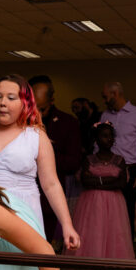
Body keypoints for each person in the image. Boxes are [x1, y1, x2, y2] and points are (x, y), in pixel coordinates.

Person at [0, 74, 80, 249]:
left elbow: (51, 185)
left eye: (11, 98)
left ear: (25, 103)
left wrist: (67, 224)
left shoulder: (36, 136)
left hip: (23, 214)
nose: (3, 102)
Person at [69, 122, 134, 270]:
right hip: (91, 204)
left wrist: (97, 181)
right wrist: (107, 182)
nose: (109, 139)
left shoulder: (120, 160)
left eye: (111, 136)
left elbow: (121, 183)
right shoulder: (89, 159)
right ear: (97, 139)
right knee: (94, 239)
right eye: (105, 135)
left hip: (114, 205)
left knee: (112, 238)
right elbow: (85, 181)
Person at [29, 75, 82, 246]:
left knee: (42, 245)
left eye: (41, 108)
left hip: (47, 199)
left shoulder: (68, 123)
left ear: (52, 99)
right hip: (19, 198)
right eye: (32, 107)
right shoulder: (19, 122)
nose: (36, 113)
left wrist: (45, 155)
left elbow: (74, 162)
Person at [99, 82, 136, 238]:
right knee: (109, 210)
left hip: (130, 170)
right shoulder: (105, 115)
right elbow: (100, 144)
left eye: (105, 97)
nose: (103, 100)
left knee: (127, 211)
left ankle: (126, 250)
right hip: (108, 169)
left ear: (115, 94)